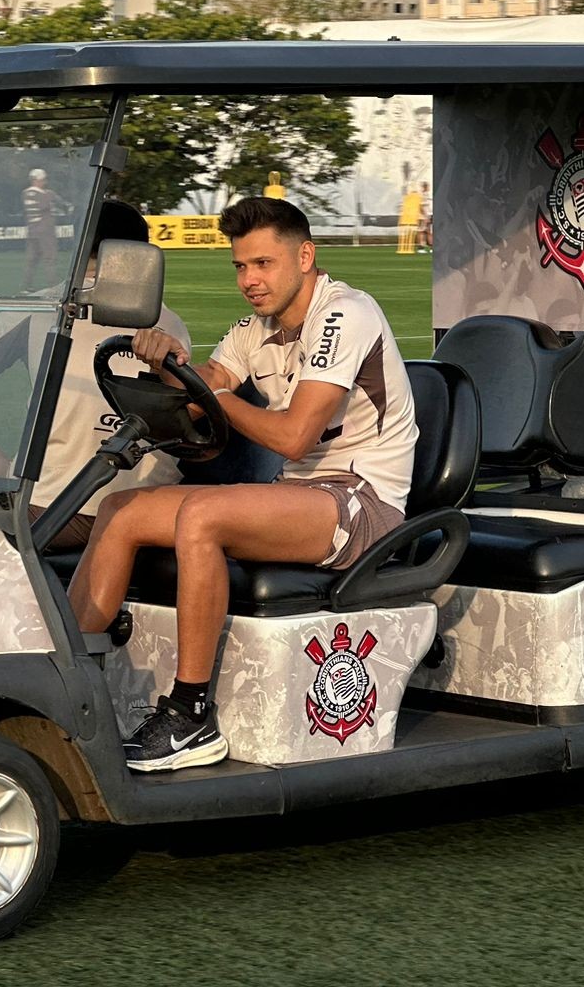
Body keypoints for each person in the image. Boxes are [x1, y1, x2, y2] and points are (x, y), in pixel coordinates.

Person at [67, 196, 418, 772]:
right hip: (301, 497)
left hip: (362, 502)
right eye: (240, 267)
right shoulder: (254, 329)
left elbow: (293, 437)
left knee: (201, 516)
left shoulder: (346, 313)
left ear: (304, 257)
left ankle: (190, 715)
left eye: (263, 264)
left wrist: (220, 400)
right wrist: (165, 361)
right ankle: (72, 680)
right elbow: (206, 385)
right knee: (123, 508)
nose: (250, 281)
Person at [0, 202, 191, 550]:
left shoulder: (44, 308)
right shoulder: (169, 325)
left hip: (54, 507)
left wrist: (3, 471)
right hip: (148, 504)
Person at [20, 167, 59, 292]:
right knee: (49, 258)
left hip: (33, 231)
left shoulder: (25, 193)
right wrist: (50, 195)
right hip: (45, 231)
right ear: (37, 180)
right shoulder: (44, 194)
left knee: (31, 260)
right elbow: (47, 204)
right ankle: (54, 286)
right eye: (43, 180)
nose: (45, 182)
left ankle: (26, 286)